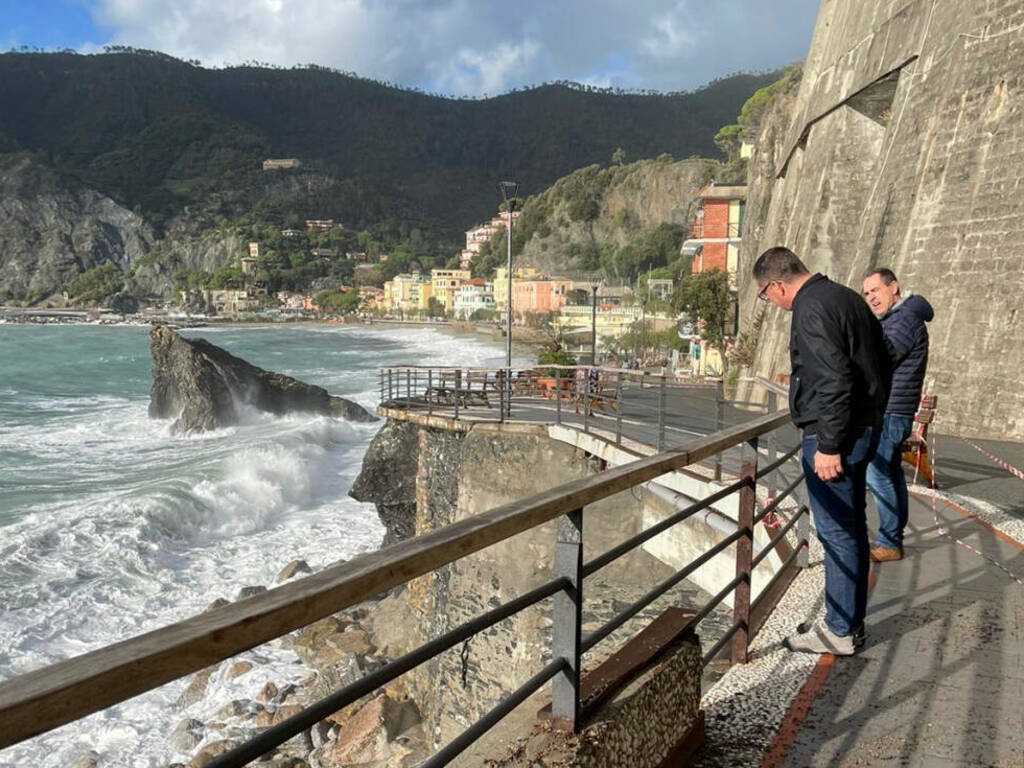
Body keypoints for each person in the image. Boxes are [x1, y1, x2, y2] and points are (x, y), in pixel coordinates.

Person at [753, 247, 891, 655]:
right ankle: (848, 623)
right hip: (863, 427)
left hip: (836, 436)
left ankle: (839, 630)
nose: (771, 302)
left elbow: (832, 380)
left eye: (765, 294)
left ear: (777, 284)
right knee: (850, 530)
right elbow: (883, 361)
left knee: (836, 531)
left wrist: (829, 445)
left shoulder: (810, 309)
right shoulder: (847, 297)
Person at [862, 268, 934, 562]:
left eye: (875, 291)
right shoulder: (898, 319)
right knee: (889, 476)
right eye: (866, 294)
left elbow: (882, 357)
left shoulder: (904, 321)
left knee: (877, 475)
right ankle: (893, 539)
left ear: (894, 287)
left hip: (891, 411)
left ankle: (890, 542)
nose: (871, 298)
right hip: (893, 410)